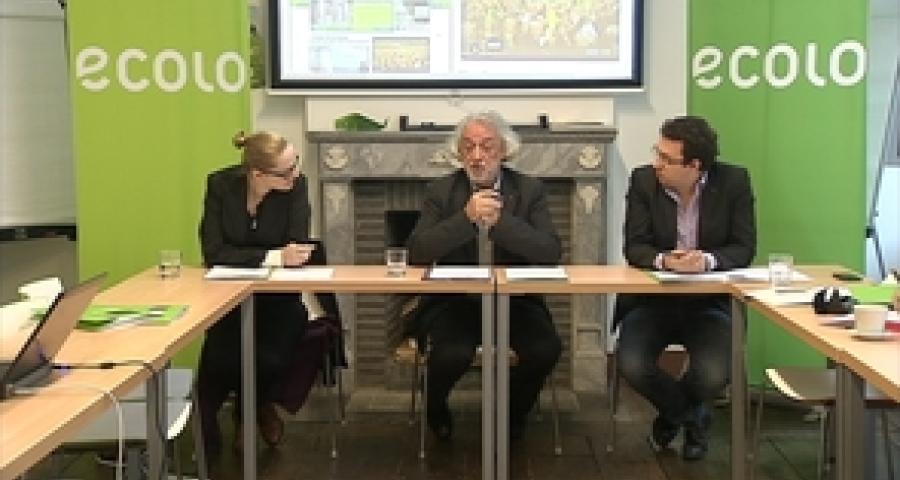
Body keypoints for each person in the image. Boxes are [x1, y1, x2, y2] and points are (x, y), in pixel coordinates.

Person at [407, 111, 562, 441]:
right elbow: (417, 252)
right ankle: (435, 405)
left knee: (545, 350)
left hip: (515, 302)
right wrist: (465, 219)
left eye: (487, 146)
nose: (477, 156)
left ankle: (511, 412)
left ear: (504, 150)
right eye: (469, 147)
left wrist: (501, 223)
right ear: (459, 152)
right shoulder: (441, 191)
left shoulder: (529, 190)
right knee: (451, 354)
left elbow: (550, 251)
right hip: (454, 302)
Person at [614, 116, 756, 461]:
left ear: (695, 166)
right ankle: (693, 418)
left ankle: (671, 417)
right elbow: (635, 247)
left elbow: (743, 248)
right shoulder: (644, 181)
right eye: (657, 153)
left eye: (667, 158)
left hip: (708, 303)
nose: (656, 164)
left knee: (713, 374)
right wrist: (665, 261)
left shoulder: (734, 182)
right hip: (652, 302)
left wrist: (705, 261)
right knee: (632, 364)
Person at [197, 130, 313, 456]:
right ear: (258, 174)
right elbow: (213, 251)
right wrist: (273, 256)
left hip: (278, 300)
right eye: (286, 171)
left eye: (295, 164)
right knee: (220, 360)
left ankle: (250, 410)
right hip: (229, 295)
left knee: (271, 358)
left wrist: (252, 256)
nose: (295, 175)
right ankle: (209, 442)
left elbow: (297, 245)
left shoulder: (296, 187)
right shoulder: (221, 185)